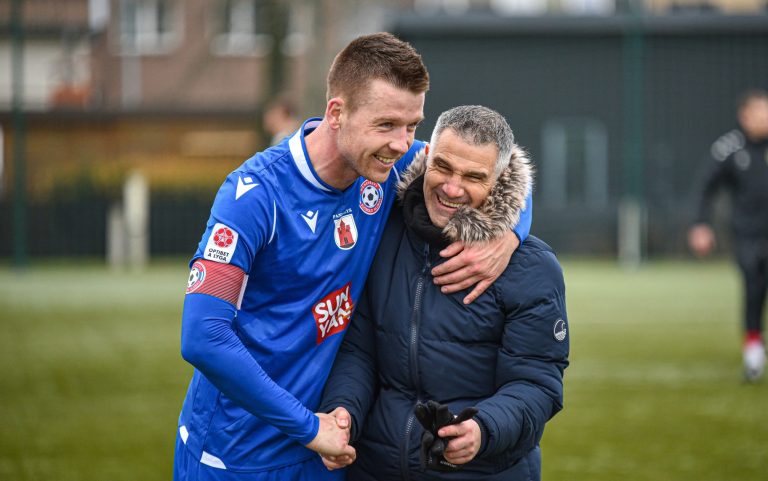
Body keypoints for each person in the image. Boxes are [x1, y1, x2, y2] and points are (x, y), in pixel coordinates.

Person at [174, 34, 533, 480]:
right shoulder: (255, 197)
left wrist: (508, 237)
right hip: (237, 451)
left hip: (332, 447)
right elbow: (203, 334)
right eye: (386, 125)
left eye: (412, 126)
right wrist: (308, 427)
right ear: (336, 114)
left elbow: (507, 169)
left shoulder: (386, 167)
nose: (403, 144)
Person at [318, 105, 569, 480]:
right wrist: (343, 412)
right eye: (444, 168)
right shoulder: (382, 235)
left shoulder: (532, 267)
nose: (452, 188)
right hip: (374, 468)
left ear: (498, 181)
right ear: (426, 157)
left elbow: (536, 384)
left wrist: (483, 430)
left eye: (473, 176)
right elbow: (359, 350)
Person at [688, 88, 768, 382]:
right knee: (754, 289)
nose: (765, 117)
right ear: (744, 115)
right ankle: (753, 354)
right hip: (748, 235)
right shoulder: (730, 147)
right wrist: (700, 224)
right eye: (760, 112)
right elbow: (705, 186)